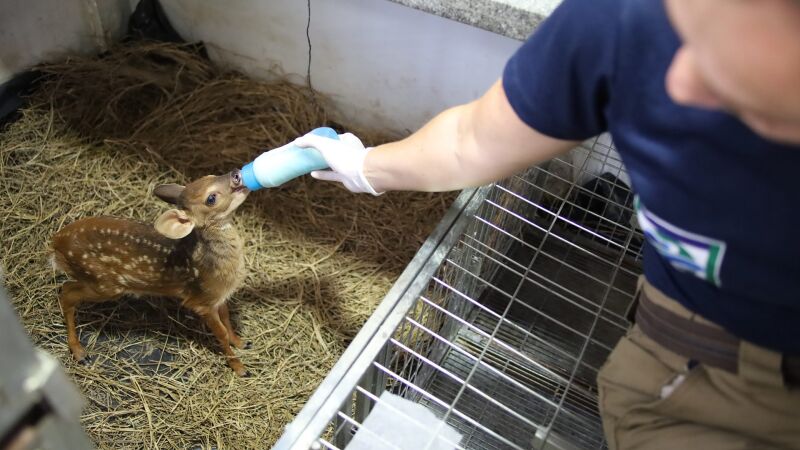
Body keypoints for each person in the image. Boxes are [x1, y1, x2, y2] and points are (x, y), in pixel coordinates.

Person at [294, 0, 800, 448]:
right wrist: (363, 167)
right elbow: (470, 139)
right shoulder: (621, 19)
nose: (677, 79)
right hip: (691, 347)